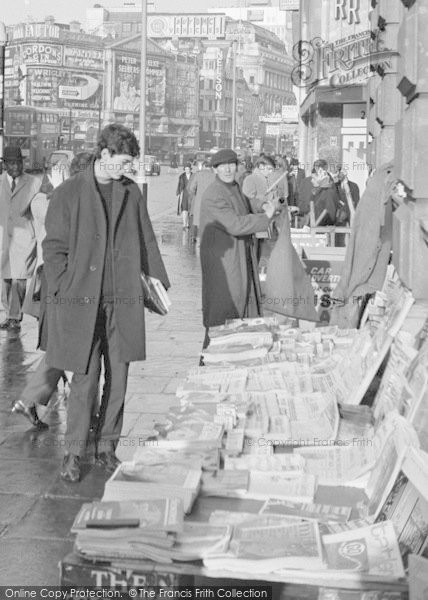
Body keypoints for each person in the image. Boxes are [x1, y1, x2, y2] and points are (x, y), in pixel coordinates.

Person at [42, 124, 170, 482]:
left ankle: (106, 447)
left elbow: (146, 239)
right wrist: (63, 289)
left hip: (123, 301)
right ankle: (73, 452)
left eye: (131, 162)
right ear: (104, 155)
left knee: (120, 377)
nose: (127, 168)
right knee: (84, 379)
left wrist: (157, 280)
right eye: (123, 161)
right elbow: (53, 249)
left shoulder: (131, 194)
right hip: (81, 301)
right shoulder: (69, 193)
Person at [11, 153, 94, 429]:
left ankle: (33, 399)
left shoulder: (50, 198)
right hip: (66, 280)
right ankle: (33, 399)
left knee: (63, 342)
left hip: (52, 277)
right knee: (69, 343)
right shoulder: (69, 200)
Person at [199, 149, 276, 349]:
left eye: (231, 164)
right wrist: (265, 218)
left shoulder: (233, 187)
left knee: (242, 315)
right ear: (214, 169)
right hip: (225, 265)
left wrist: (264, 205)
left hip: (240, 258)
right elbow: (235, 224)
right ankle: (209, 366)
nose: (227, 169)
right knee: (224, 318)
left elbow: (247, 203)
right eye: (222, 166)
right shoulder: (214, 194)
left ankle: (238, 361)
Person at [0, 146, 40, 331]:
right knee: (6, 280)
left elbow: (41, 208)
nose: (16, 166)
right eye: (11, 163)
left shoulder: (34, 183)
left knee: (19, 279)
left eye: (18, 162)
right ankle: (10, 312)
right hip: (4, 239)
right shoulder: (0, 182)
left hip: (24, 239)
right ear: (5, 164)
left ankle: (14, 317)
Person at [298, 159, 339, 226]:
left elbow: (301, 205)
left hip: (308, 220)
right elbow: (331, 213)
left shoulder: (304, 181)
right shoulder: (329, 185)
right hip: (319, 223)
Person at [188, 160, 215, 244]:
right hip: (210, 202)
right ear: (211, 167)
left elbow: (191, 188)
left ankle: (194, 237)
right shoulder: (214, 176)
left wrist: (194, 195)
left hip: (199, 201)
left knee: (196, 220)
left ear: (203, 166)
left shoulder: (198, 175)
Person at [176, 162, 192, 229]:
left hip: (192, 194)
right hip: (185, 194)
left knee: (190, 210)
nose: (187, 170)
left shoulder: (194, 175)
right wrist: (178, 193)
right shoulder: (182, 176)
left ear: (190, 169)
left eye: (188, 169)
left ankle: (188, 223)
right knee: (184, 209)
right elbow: (179, 185)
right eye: (185, 169)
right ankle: (184, 224)